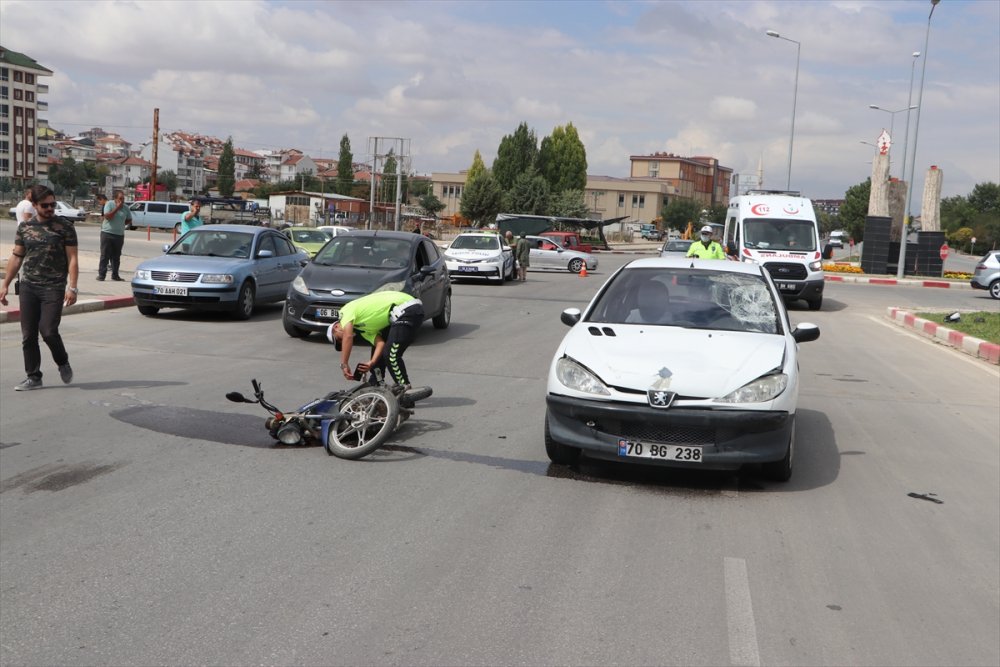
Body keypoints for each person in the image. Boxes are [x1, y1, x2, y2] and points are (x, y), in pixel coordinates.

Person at [0, 185, 79, 391]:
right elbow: (17, 257)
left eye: (53, 204)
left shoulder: (65, 227)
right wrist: (5, 284)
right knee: (28, 335)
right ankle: (33, 376)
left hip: (53, 287)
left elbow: (72, 258)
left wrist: (73, 287)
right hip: (28, 286)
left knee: (48, 331)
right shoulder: (25, 227)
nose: (50, 208)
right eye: (45, 205)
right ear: (34, 205)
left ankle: (62, 362)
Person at [326, 290, 425, 391]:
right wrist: (371, 362)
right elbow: (380, 344)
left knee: (391, 354)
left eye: (339, 339)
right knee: (380, 353)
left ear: (336, 327)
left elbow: (348, 336)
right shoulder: (364, 331)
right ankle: (376, 384)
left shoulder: (344, 312)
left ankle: (405, 387)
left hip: (407, 308)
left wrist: (344, 364)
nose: (343, 340)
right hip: (401, 314)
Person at [98, 190, 132, 281]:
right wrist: (117, 208)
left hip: (119, 235)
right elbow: (107, 217)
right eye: (120, 198)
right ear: (115, 198)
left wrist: (121, 223)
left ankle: (115, 275)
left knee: (116, 256)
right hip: (107, 233)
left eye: (123, 198)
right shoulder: (109, 204)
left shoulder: (125, 207)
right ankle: (101, 275)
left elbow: (129, 219)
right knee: (105, 255)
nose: (122, 200)